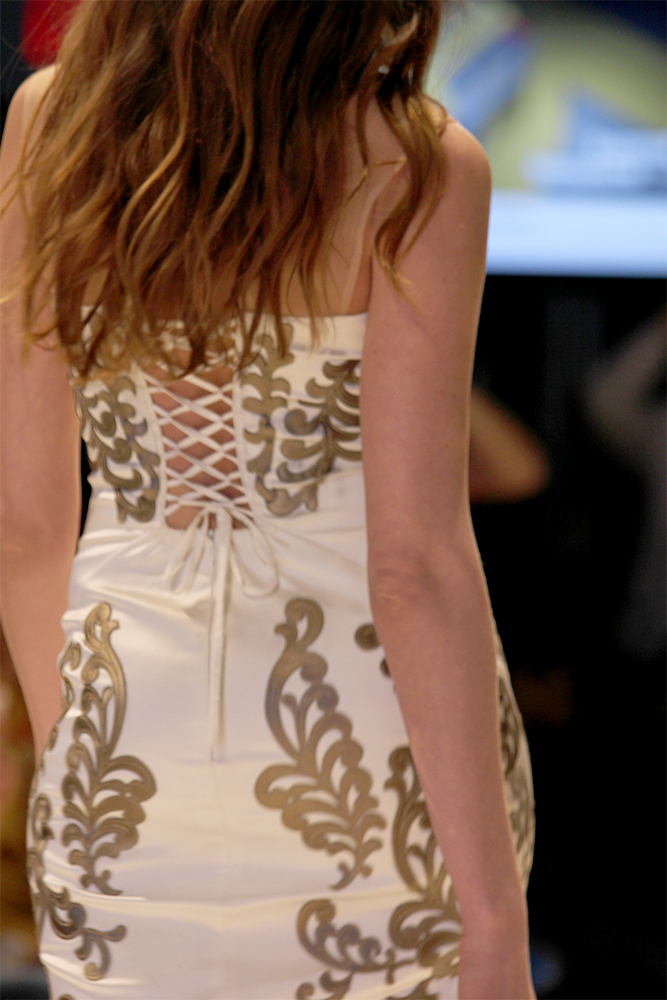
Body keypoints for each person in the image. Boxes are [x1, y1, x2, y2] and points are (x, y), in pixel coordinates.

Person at [0, 2, 535, 998]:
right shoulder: (419, 167)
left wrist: (77, 754)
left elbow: (26, 530)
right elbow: (413, 567)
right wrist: (497, 929)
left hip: (124, 756)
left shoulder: (51, 121)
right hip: (369, 770)